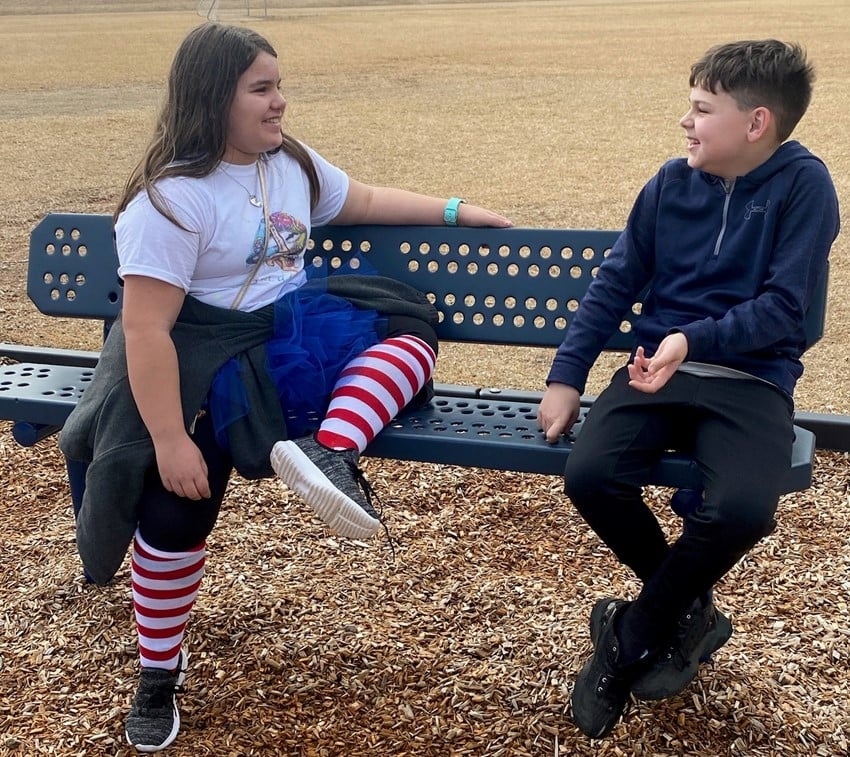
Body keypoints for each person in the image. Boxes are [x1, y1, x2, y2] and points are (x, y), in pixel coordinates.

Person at [58, 21, 510, 753]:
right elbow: (144, 331)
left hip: (283, 342)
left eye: (279, 86)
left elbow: (357, 198)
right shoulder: (169, 202)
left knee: (407, 331)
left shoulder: (288, 162)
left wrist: (455, 210)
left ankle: (329, 451)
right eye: (261, 90)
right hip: (195, 360)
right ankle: (157, 672)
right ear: (214, 99)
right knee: (177, 512)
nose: (280, 104)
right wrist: (171, 440)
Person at [537, 39, 839, 738]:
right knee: (590, 474)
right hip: (654, 373)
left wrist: (689, 340)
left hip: (751, 379)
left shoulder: (804, 186)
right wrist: (565, 377)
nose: (686, 122)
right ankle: (685, 607)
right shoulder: (670, 183)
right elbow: (613, 283)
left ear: (755, 122)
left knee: (740, 509)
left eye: (702, 109)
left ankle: (633, 634)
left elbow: (785, 308)